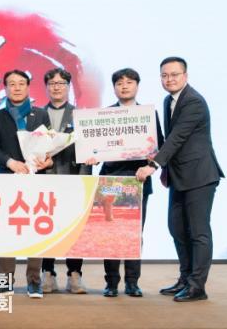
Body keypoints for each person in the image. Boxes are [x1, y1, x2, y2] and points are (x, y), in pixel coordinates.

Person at [135, 57, 223, 302]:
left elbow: (178, 138)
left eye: (174, 74)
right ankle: (185, 279)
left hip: (200, 176)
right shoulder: (168, 101)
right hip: (179, 176)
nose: (169, 79)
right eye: (164, 75)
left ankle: (197, 286)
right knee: (177, 228)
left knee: (198, 232)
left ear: (185, 76)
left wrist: (153, 165)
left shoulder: (194, 101)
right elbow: (167, 139)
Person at [86, 68, 164, 298]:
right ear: (114, 88)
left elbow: (160, 147)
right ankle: (111, 282)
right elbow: (94, 148)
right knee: (110, 232)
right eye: (119, 83)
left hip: (138, 179)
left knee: (134, 233)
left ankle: (132, 282)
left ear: (137, 86)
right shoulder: (104, 116)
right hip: (111, 178)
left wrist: (152, 167)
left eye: (129, 82)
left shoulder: (148, 115)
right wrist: (93, 155)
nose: (124, 86)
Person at [0, 70, 52, 298]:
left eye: (21, 83)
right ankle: (5, 281)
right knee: (5, 231)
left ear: (28, 87)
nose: (16, 88)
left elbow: (48, 144)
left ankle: (34, 281)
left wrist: (46, 160)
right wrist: (10, 162)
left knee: (36, 229)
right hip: (8, 177)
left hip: (36, 179)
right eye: (12, 84)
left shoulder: (40, 114)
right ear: (5, 88)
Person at [41, 68, 91, 294]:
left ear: (68, 87)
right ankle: (47, 273)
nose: (56, 87)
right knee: (45, 228)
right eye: (52, 83)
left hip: (73, 179)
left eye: (61, 83)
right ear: (46, 87)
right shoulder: (37, 115)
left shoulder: (80, 116)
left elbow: (88, 150)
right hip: (45, 180)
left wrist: (83, 180)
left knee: (74, 230)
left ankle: (74, 274)